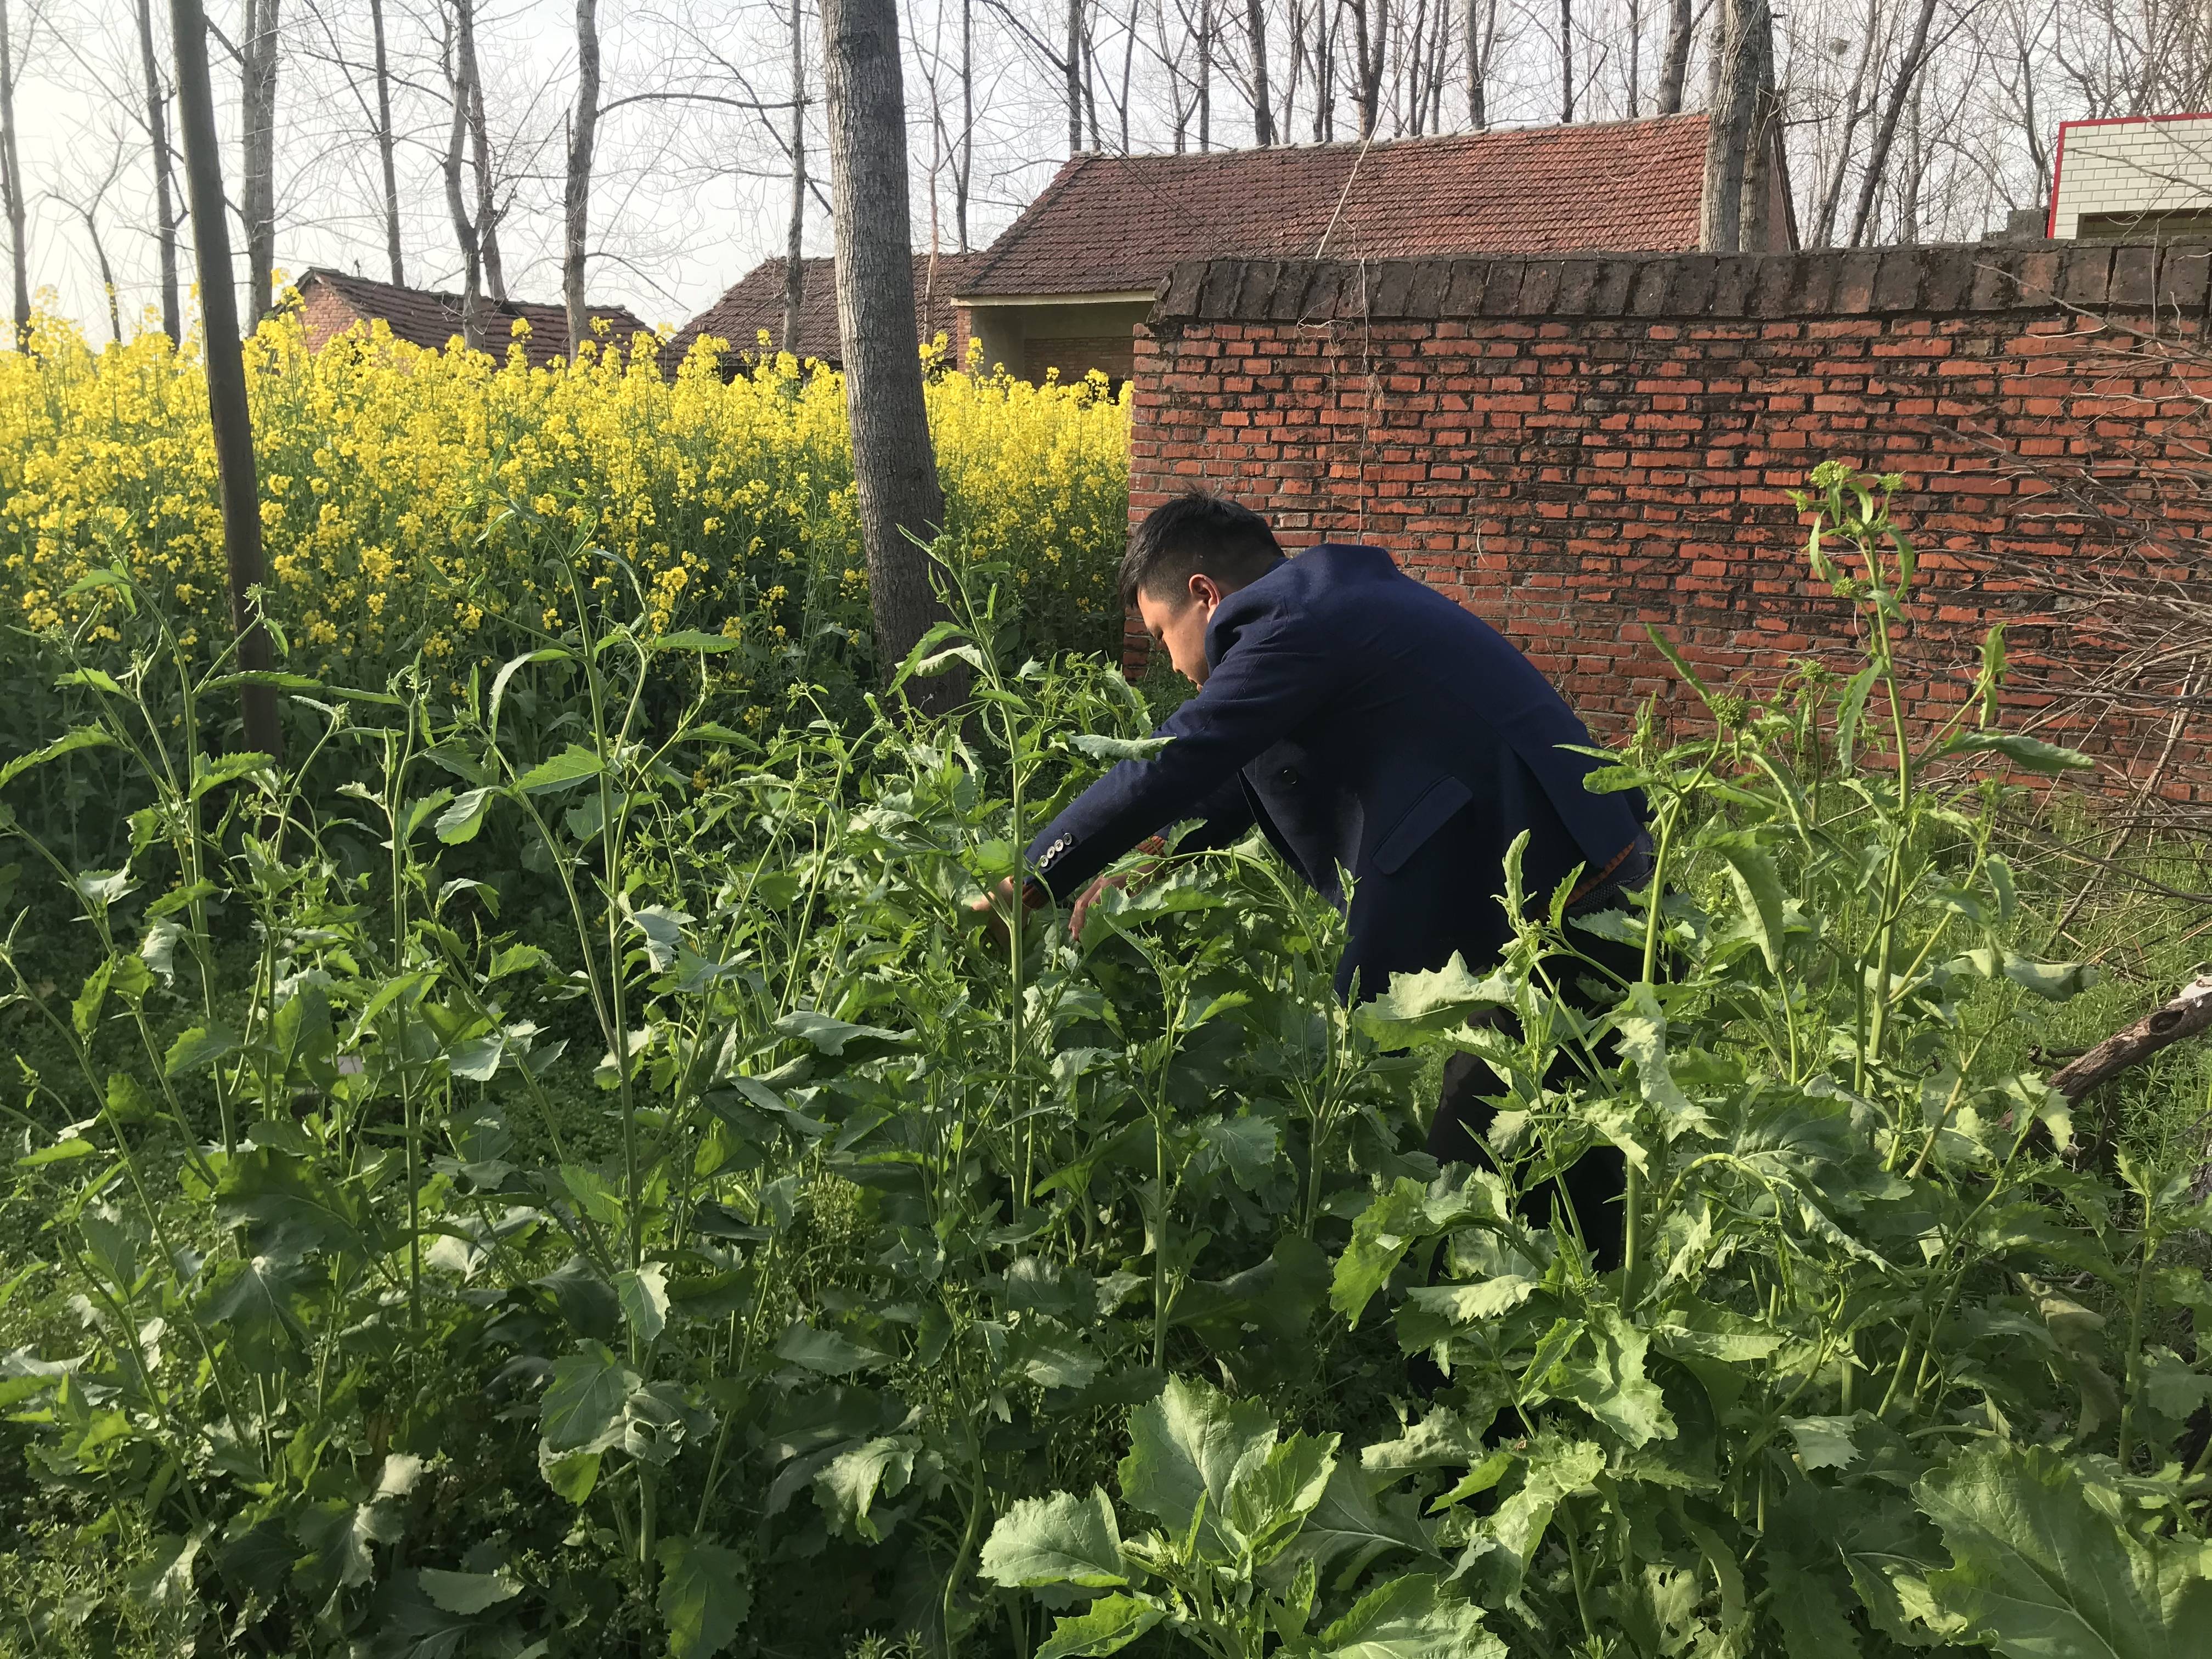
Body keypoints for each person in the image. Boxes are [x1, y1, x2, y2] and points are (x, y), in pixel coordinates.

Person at [986, 492, 1650, 1263]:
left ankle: (1469, 1361)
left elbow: (1188, 750)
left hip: (1579, 917)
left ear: (1205, 594)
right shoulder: (1325, 607)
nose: (1168, 661)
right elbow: (1243, 762)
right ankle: (1515, 1344)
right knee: (1521, 1163)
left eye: (1163, 633)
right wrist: (1160, 843)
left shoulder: (1291, 625)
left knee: (1496, 1180)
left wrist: (1030, 878)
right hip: (1568, 901)